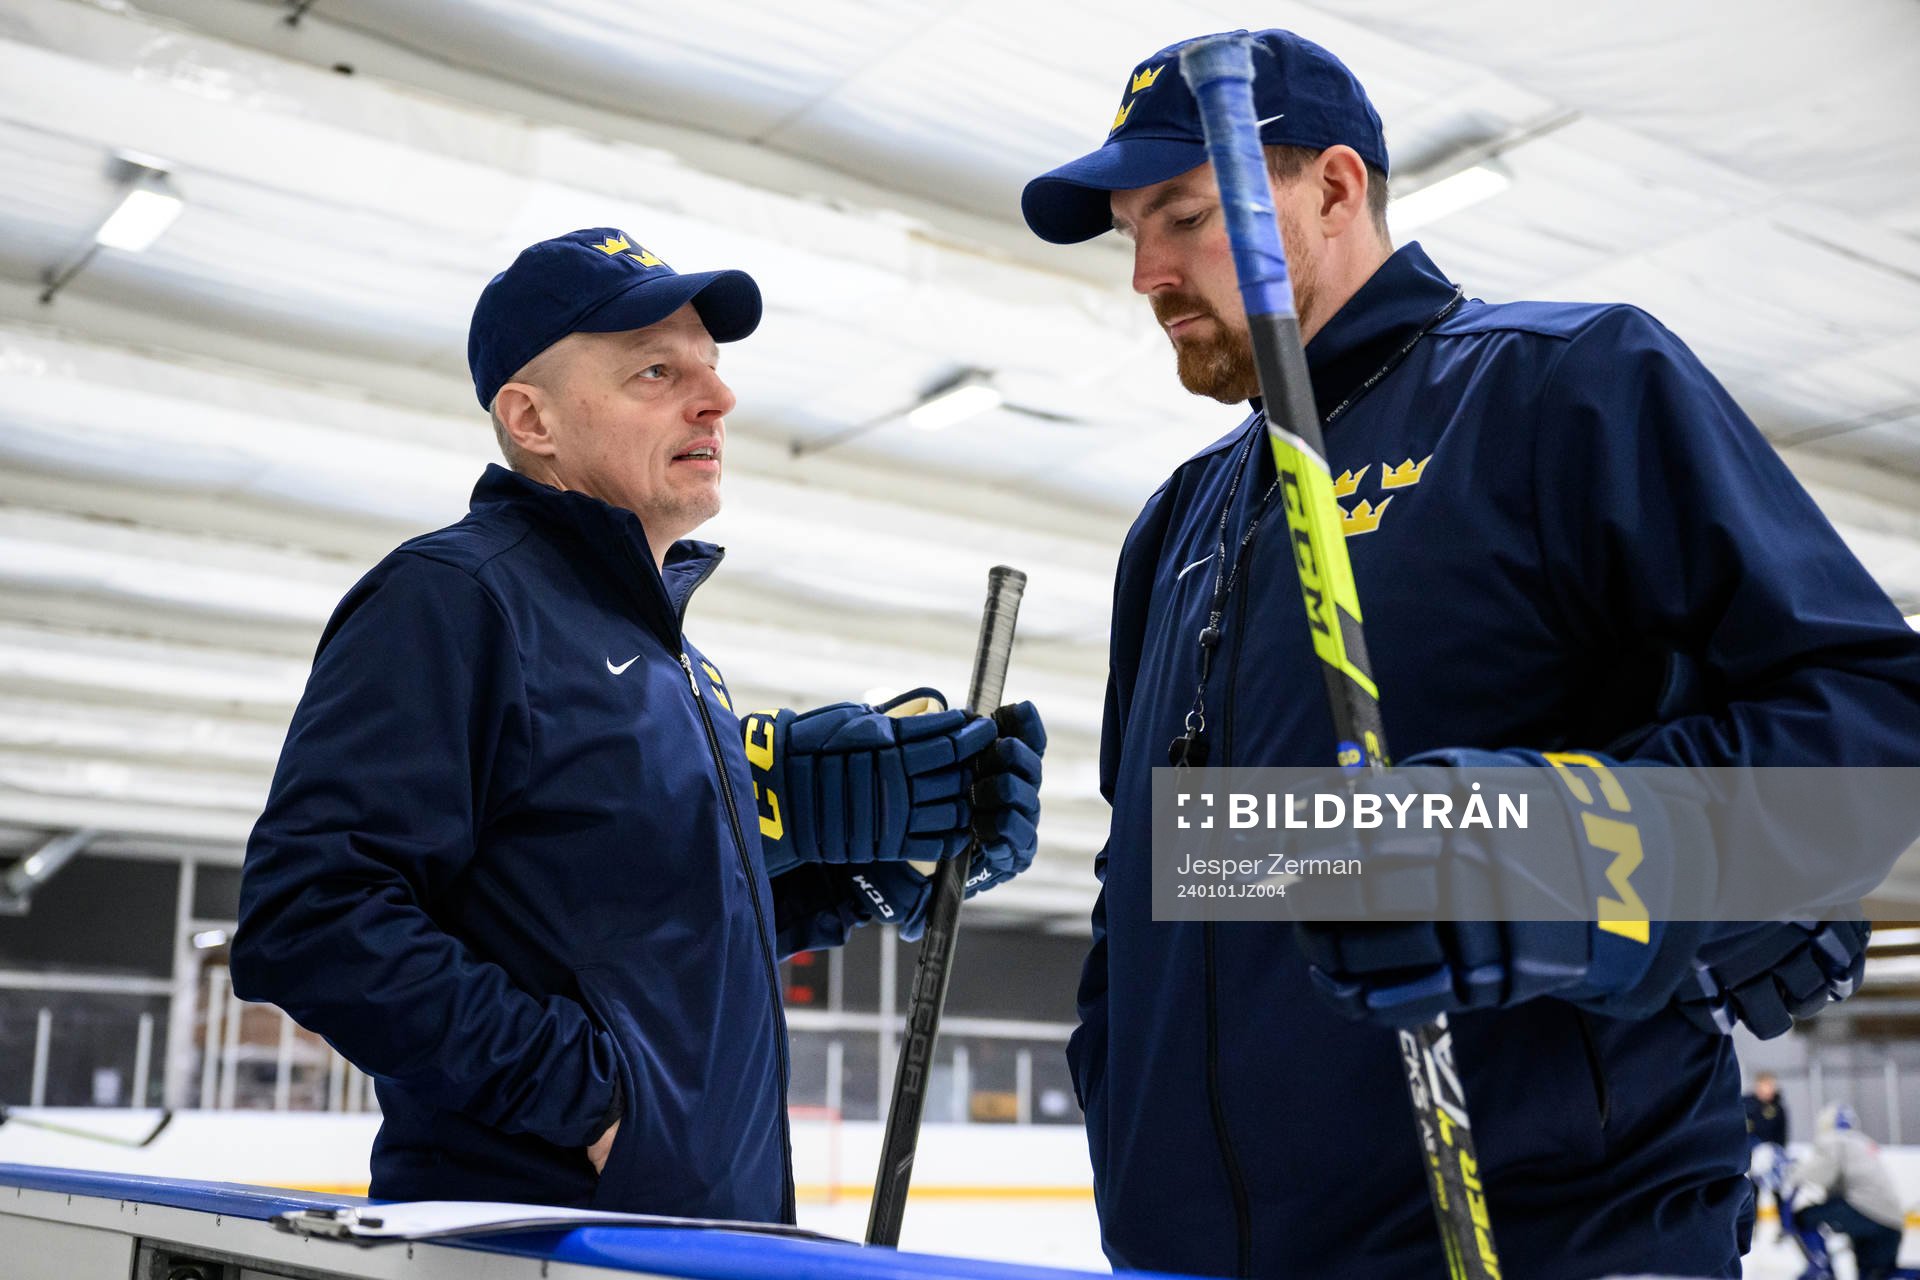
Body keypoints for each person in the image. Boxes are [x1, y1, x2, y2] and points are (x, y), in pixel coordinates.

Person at [1020, 28, 1920, 1279]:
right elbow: (1174, 877)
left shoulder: (1562, 387)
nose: (1146, 273)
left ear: (1336, 189)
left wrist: (1552, 857)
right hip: (1195, 1258)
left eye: (1184, 215)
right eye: (1131, 232)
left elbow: (1873, 741)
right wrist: (1137, 1126)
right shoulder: (1179, 520)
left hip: (1547, 1239)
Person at [230, 228, 1046, 1221]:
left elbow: (664, 941)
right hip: (542, 1235)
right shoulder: (455, 600)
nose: (718, 398)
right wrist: (592, 1101)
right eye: (657, 371)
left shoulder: (678, 662)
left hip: (710, 1225)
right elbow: (312, 915)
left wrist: (863, 879)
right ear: (532, 417)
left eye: (711, 367)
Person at [1787, 1103, 1907, 1280]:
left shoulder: (1835, 1139)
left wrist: (1791, 1173)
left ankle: (1821, 1267)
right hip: (1891, 1223)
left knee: (1804, 1217)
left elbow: (1822, 1173)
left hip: (1868, 1212)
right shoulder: (1861, 1141)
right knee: (1876, 1274)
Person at [1748, 1071, 1789, 1150]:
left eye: (1773, 1085)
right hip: (1751, 1149)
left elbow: (1781, 1135)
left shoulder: (1778, 1108)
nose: (1771, 1088)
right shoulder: (1747, 1106)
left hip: (1773, 1150)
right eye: (1767, 1085)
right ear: (1758, 1086)